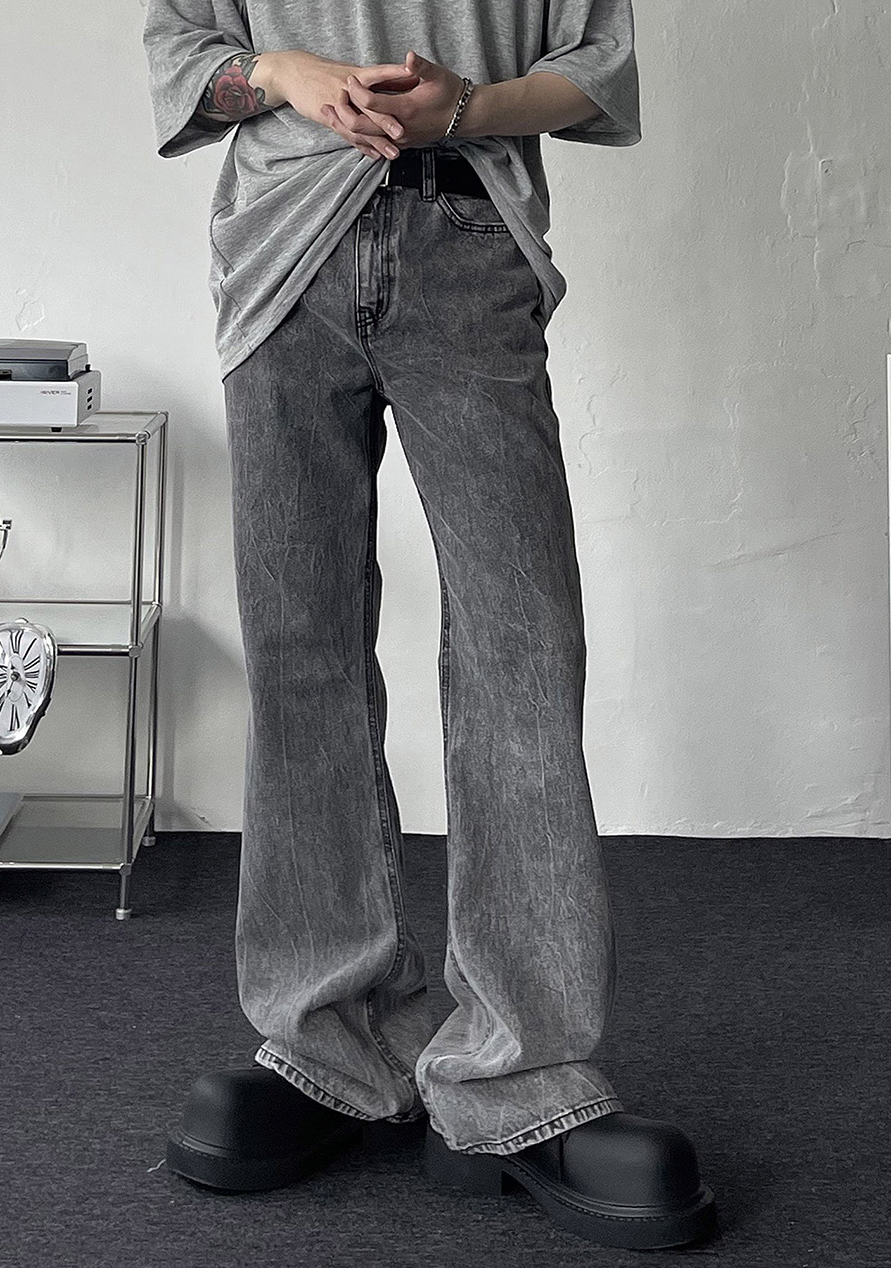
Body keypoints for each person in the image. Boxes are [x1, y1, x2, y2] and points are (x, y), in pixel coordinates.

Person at [142, 0, 718, 1251]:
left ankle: (522, 1071)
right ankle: (330, 1039)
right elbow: (183, 50)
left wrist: (467, 108)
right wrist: (282, 74)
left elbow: (597, 64)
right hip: (280, 256)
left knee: (522, 649)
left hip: (469, 234)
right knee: (302, 654)